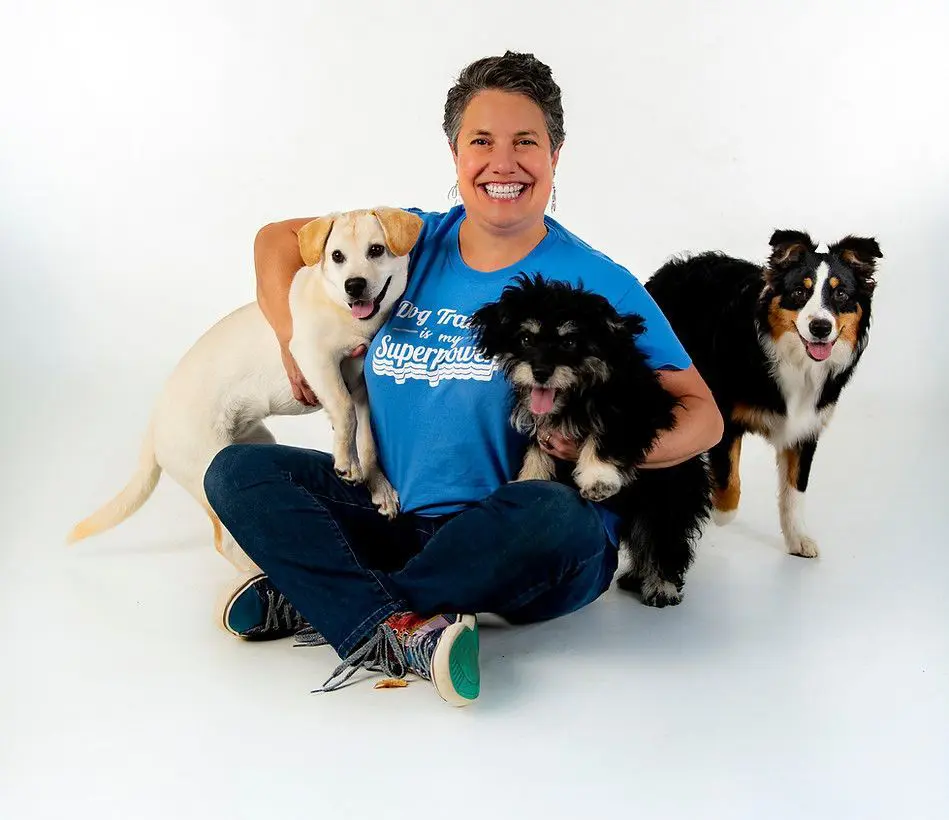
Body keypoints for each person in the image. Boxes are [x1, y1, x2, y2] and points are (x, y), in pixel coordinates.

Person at [203, 51, 724, 707]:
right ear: (455, 154)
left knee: (555, 513)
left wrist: (613, 452)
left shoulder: (596, 280)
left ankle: (324, 597)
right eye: (481, 142)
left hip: (519, 529)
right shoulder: (407, 242)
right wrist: (292, 341)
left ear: (554, 155)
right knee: (237, 472)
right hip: (394, 510)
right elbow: (278, 240)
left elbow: (702, 414)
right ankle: (394, 618)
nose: (502, 163)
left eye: (525, 142)